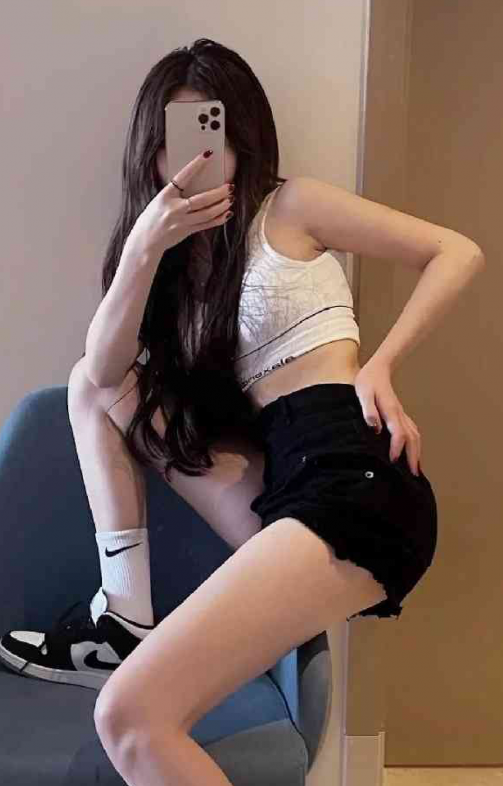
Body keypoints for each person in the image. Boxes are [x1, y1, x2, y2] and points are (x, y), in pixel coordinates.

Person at [0, 38, 483, 698]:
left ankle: (139, 643)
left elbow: (455, 252)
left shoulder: (291, 207)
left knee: (137, 710)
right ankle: (123, 620)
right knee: (90, 378)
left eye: (210, 133)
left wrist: (381, 365)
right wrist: (143, 247)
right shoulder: (167, 271)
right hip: (275, 481)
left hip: (345, 464)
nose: (190, 158)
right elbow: (107, 375)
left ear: (244, 137)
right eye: (170, 140)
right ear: (148, 151)